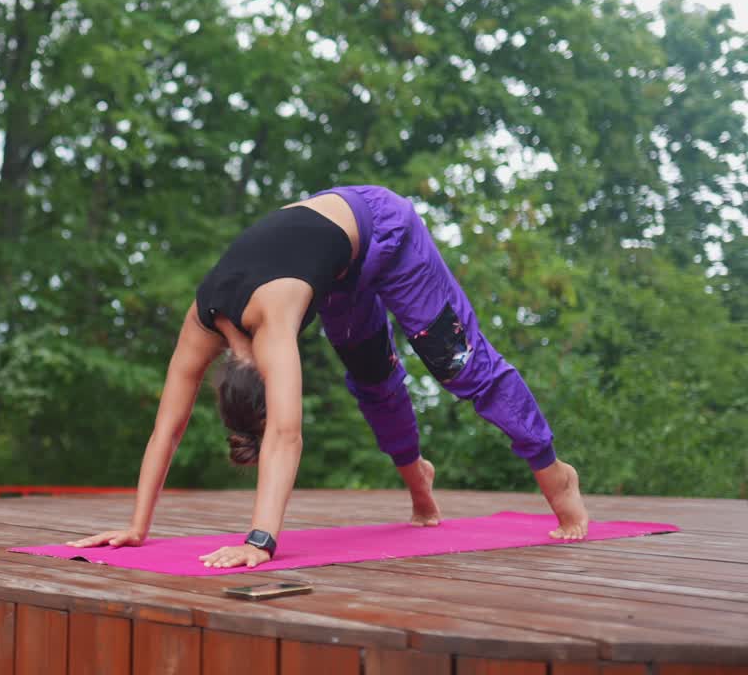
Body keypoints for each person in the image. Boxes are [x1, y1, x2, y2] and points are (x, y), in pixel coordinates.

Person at [66, 185, 590, 569]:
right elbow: (167, 428)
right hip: (337, 271)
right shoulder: (201, 322)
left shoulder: (274, 331)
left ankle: (554, 472)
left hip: (383, 228)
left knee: (455, 362)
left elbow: (286, 434)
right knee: (371, 379)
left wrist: (260, 540)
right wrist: (138, 527)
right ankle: (419, 486)